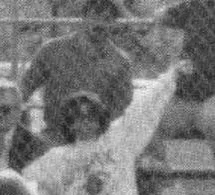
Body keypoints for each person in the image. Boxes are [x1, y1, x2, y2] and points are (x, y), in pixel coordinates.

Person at [22, 61, 190, 195]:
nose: (85, 121)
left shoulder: (119, 139)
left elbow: (145, 107)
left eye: (91, 115)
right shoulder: (57, 156)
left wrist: (171, 76)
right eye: (77, 117)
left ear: (101, 117)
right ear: (69, 123)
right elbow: (27, 185)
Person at [20, 0, 134, 147]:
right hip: (55, 136)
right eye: (94, 16)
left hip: (96, 140)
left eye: (106, 18)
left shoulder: (120, 61)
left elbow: (121, 108)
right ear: (83, 17)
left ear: (113, 23)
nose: (99, 23)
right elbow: (23, 90)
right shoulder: (52, 50)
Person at [152, 0, 215, 160]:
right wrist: (164, 43)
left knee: (210, 119)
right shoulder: (195, 6)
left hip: (211, 98)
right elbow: (159, 15)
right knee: (150, 119)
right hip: (183, 98)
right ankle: (160, 174)